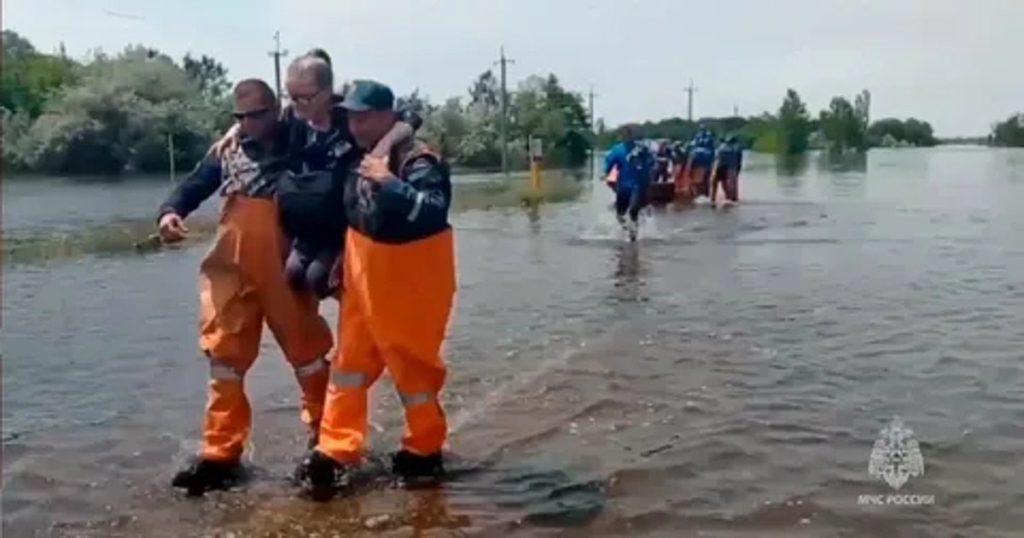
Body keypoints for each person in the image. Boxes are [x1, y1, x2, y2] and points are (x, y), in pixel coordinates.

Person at [158, 80, 335, 496]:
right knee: (224, 355)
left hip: (284, 262)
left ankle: (327, 441)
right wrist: (169, 212)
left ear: (276, 111)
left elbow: (331, 112)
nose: (247, 123)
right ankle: (221, 453)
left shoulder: (301, 138)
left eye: (256, 115)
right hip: (232, 266)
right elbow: (196, 184)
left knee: (307, 352)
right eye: (239, 117)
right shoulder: (227, 150)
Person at [296, 80, 456, 499]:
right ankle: (335, 449)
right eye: (351, 116)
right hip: (362, 275)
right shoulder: (351, 151)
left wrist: (391, 183)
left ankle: (424, 450)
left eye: (365, 116)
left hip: (411, 281)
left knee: (413, 369)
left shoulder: (419, 161)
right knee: (348, 365)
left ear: (387, 115)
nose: (356, 124)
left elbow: (434, 212)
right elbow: (297, 119)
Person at [212, 52, 422, 300]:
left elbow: (411, 116)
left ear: (327, 93)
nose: (298, 104)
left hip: (343, 225)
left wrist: (383, 147)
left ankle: (359, 300)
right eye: (292, 97)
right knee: (293, 275)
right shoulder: (293, 119)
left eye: (305, 98)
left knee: (320, 279)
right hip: (309, 230)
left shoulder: (348, 118)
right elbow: (260, 117)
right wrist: (235, 128)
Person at [603, 128, 656, 241]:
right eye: (626, 136)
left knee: (633, 210)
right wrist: (608, 176)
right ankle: (626, 230)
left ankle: (633, 239)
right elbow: (609, 165)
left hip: (637, 186)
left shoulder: (642, 150)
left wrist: (648, 182)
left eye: (630, 135)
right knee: (620, 215)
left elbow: (651, 163)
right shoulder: (618, 150)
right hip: (622, 187)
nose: (628, 138)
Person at [684, 127, 717, 199]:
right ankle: (706, 196)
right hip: (708, 165)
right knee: (706, 182)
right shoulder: (710, 146)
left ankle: (699, 196)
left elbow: (690, 159)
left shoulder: (695, 148)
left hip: (698, 165)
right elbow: (714, 157)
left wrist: (689, 169)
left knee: (698, 182)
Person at [710, 134, 743, 204]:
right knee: (730, 184)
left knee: (718, 182)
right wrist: (738, 170)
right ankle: (731, 198)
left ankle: (714, 199)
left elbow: (716, 159)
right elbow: (739, 161)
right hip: (727, 166)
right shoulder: (736, 148)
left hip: (724, 166)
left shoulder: (722, 147)